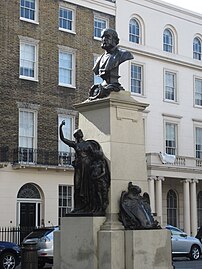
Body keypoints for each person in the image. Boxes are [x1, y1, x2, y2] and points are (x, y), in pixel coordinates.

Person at [59, 120, 110, 215]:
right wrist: (61, 127)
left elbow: (97, 155)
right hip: (79, 167)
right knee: (77, 186)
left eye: (78, 134)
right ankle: (78, 207)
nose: (78, 135)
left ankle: (87, 205)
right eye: (77, 134)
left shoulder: (88, 145)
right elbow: (63, 139)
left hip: (87, 167)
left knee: (86, 187)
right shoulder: (76, 145)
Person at [89, 28, 134, 100]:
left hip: (114, 85)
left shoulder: (123, 54)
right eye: (102, 37)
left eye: (107, 37)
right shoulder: (99, 59)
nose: (104, 39)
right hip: (104, 85)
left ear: (115, 40)